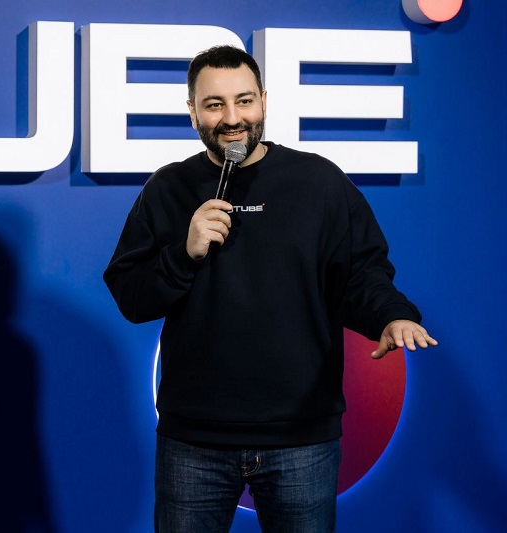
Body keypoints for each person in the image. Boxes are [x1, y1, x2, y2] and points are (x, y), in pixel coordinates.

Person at [103, 45, 437, 532]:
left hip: (301, 438)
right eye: (214, 104)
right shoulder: (168, 188)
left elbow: (361, 273)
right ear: (192, 112)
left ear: (264, 100)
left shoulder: (318, 182)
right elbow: (131, 296)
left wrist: (392, 315)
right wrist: (184, 253)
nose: (232, 118)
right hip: (194, 440)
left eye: (244, 101)